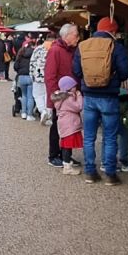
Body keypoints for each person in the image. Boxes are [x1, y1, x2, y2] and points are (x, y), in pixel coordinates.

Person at [76, 16, 128, 184]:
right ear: (113, 31)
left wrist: (88, 82)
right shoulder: (116, 47)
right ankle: (110, 173)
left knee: (89, 137)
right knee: (109, 136)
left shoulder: (83, 46)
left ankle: (90, 172)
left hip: (89, 97)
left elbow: (76, 70)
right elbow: (125, 72)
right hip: (109, 97)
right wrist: (113, 80)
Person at [44, 23, 80, 169]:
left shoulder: (71, 50)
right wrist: (56, 99)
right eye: (76, 34)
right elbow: (50, 77)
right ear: (67, 35)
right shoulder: (55, 51)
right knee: (56, 126)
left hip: (68, 97)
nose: (78, 37)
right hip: (60, 98)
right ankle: (53, 155)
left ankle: (66, 156)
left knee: (68, 127)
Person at [52, 75, 84, 164]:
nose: (76, 88)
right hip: (70, 124)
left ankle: (67, 161)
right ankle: (67, 164)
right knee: (67, 145)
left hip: (64, 124)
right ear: (68, 88)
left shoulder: (61, 97)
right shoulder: (68, 98)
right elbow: (78, 107)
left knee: (66, 144)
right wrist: (79, 95)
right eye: (74, 86)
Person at [29, 35, 50, 121]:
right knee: (47, 96)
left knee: (37, 95)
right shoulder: (55, 48)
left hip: (38, 76)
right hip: (50, 77)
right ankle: (48, 114)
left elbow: (32, 63)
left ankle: (42, 111)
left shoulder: (38, 49)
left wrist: (31, 75)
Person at [13, 37, 34, 118]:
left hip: (21, 76)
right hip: (30, 76)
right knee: (30, 96)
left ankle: (23, 113)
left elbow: (15, 66)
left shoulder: (20, 53)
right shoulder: (33, 53)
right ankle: (30, 114)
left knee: (23, 95)